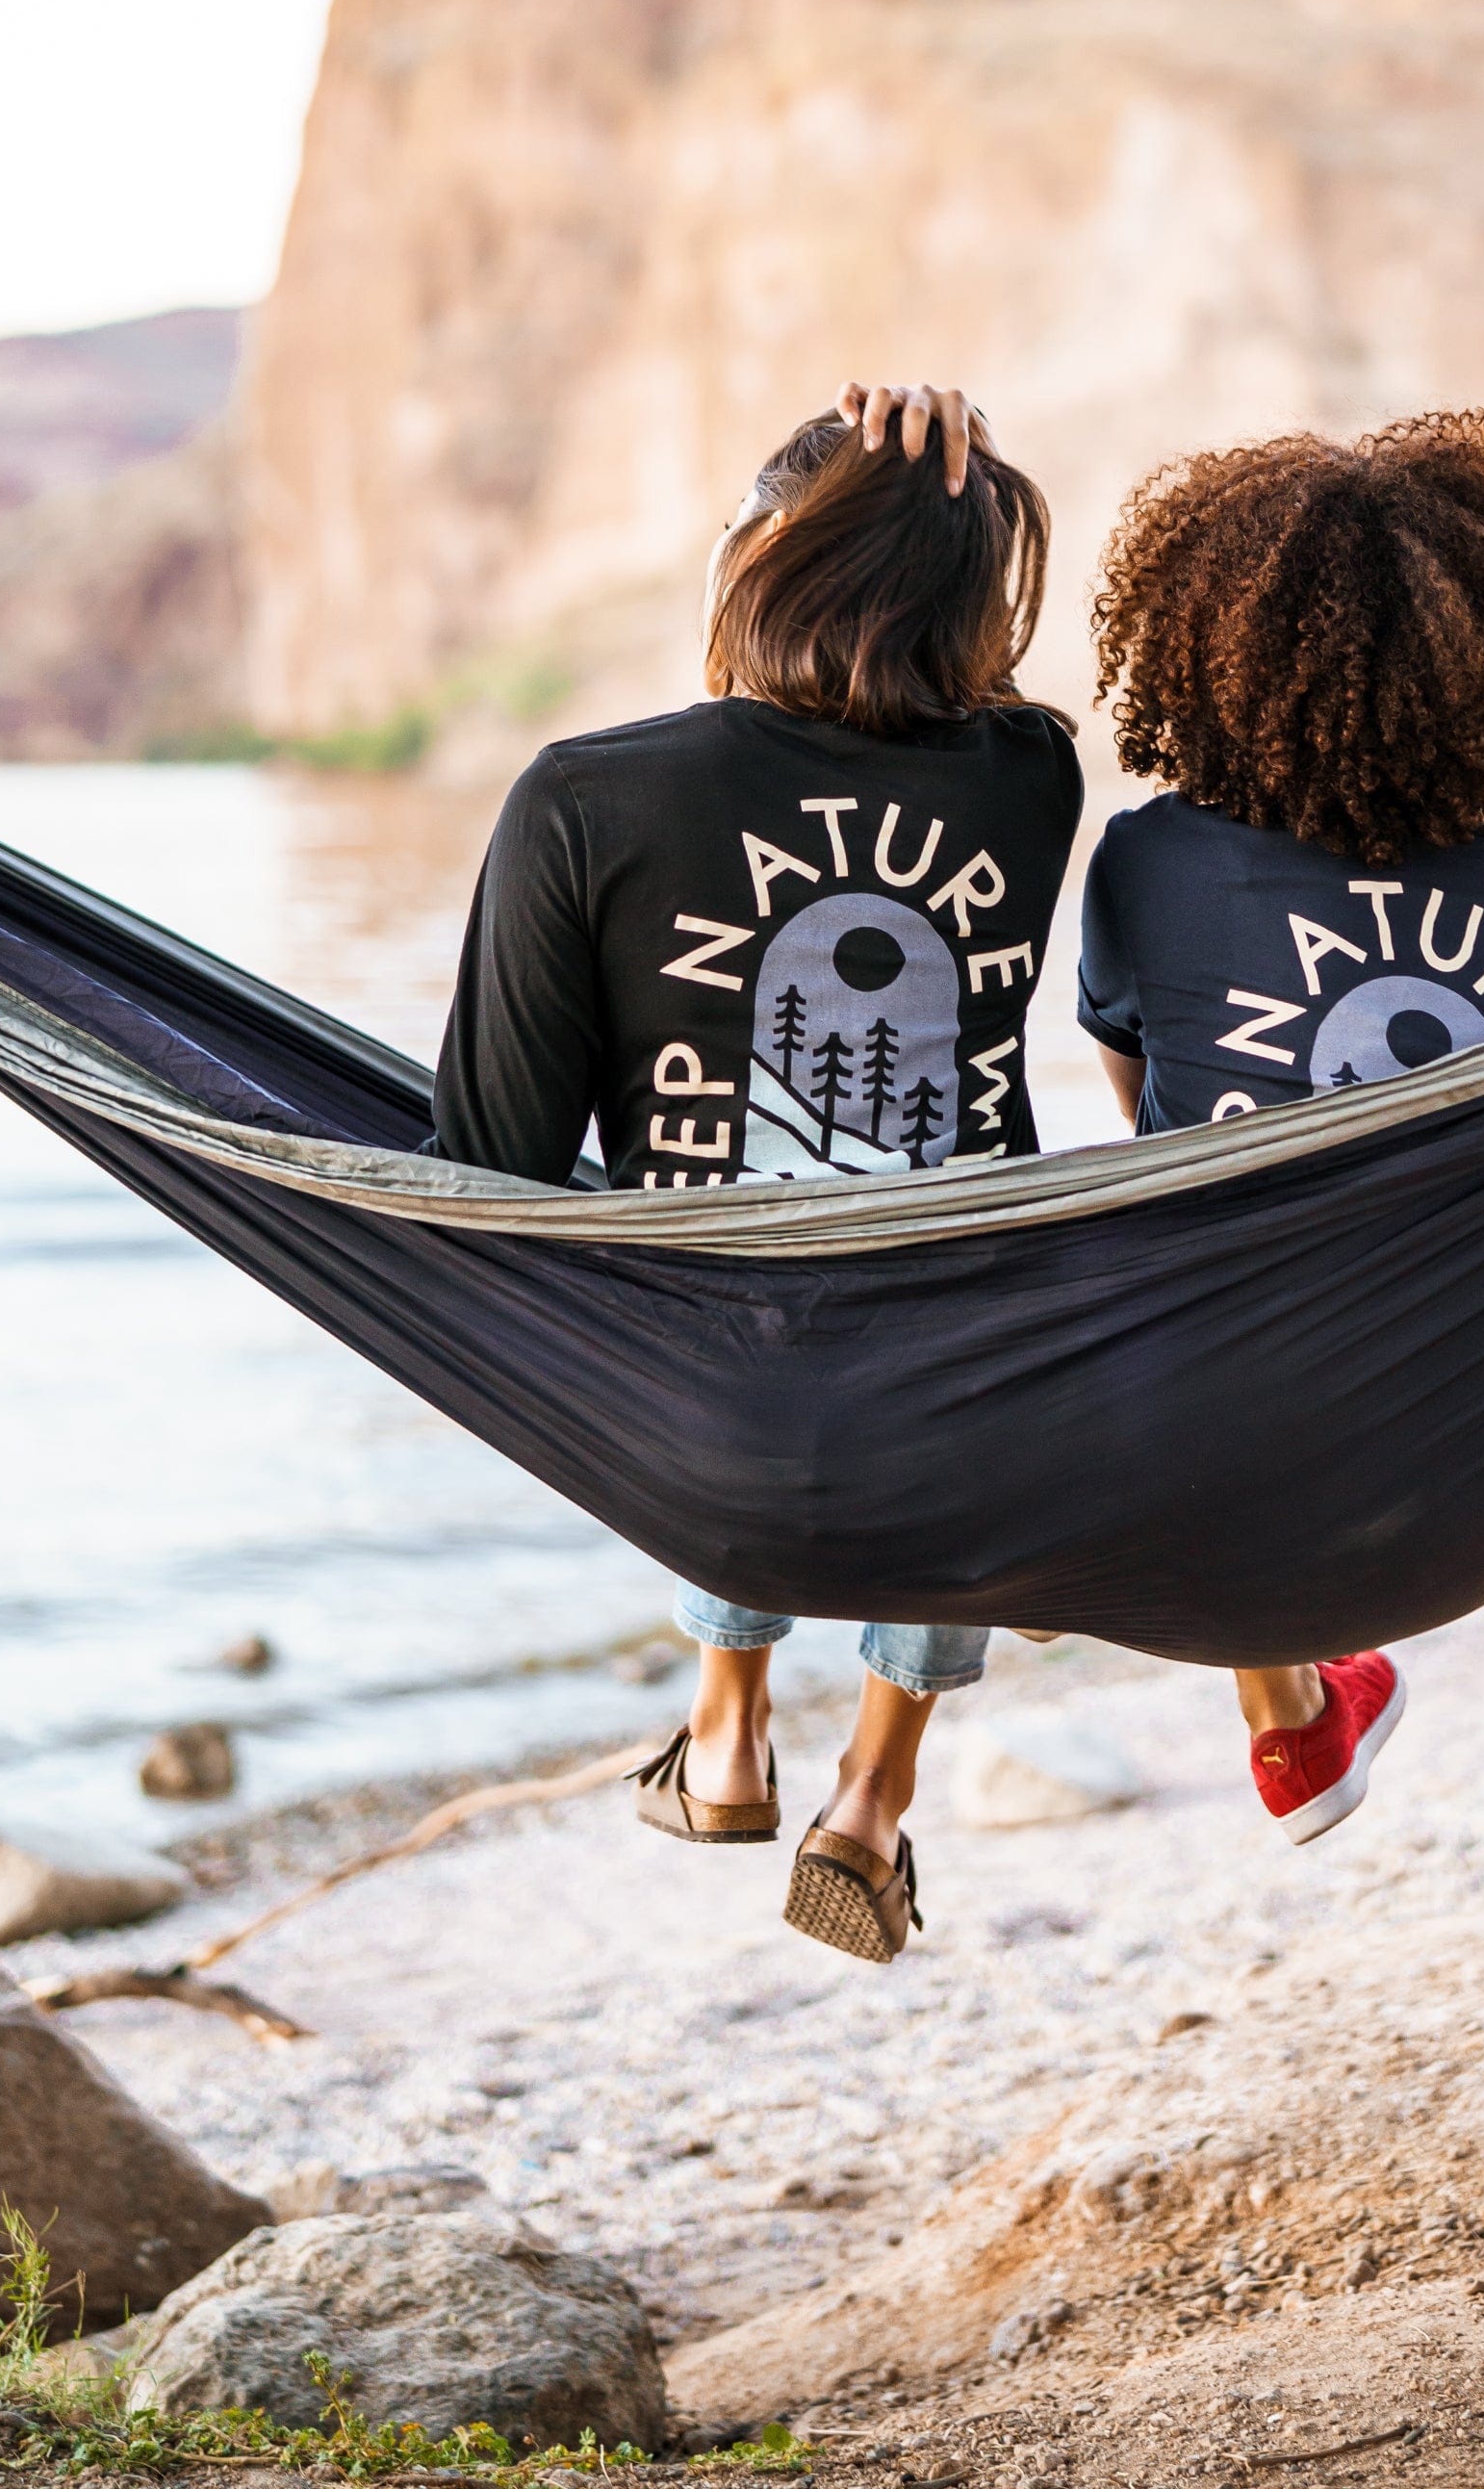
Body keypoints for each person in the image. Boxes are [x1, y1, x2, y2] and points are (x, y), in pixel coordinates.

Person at [433, 378, 1081, 1963]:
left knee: (734, 1288)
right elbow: (921, 699)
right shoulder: (1034, 780)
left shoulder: (588, 797)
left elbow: (498, 1167)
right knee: (942, 1287)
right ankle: (870, 1794)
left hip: (706, 1422)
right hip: (975, 1405)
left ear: (768, 554)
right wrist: (937, 486)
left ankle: (723, 1729)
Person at [1076, 407, 1484, 1844]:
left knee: (1151, 1250)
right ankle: (1302, 1714)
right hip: (1480, 1424)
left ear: (1203, 666)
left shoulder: (1149, 866)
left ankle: (1276, 1696)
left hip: (1224, 1424)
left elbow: (1157, 1127)